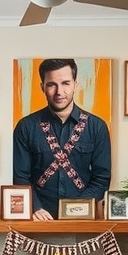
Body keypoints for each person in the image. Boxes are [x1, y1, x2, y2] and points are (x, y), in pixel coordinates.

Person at [13, 58, 111, 220]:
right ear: (42, 87)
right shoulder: (26, 126)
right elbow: (20, 176)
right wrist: (34, 207)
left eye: (66, 83)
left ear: (75, 85)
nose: (59, 92)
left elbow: (102, 178)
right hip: (38, 217)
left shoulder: (97, 127)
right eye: (51, 84)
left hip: (83, 218)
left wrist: (77, 209)